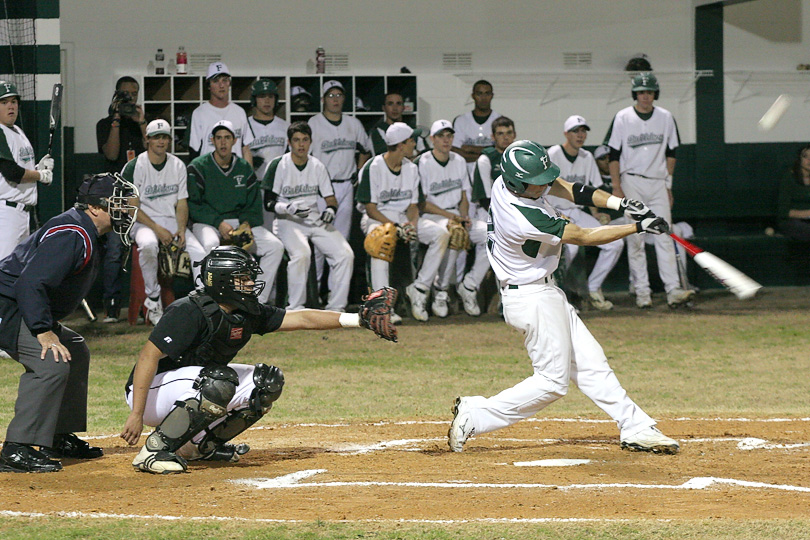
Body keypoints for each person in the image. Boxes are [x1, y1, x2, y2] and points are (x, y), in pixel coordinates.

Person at [448, 140, 680, 455]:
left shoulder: (510, 182)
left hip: (545, 293)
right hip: (531, 298)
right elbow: (584, 236)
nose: (545, 184)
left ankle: (635, 426)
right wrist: (637, 227)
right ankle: (476, 415)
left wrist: (618, 204)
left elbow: (569, 188)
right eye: (538, 181)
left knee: (591, 362)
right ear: (520, 183)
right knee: (552, 383)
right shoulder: (522, 215)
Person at [120, 246, 396, 474]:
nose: (251, 283)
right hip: (151, 393)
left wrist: (357, 319)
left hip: (192, 386)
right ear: (223, 281)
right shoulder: (188, 311)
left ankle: (197, 447)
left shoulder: (245, 311)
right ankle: (154, 450)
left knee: (265, 383)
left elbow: (302, 318)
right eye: (243, 278)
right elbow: (148, 357)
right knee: (219, 380)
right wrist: (136, 414)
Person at [0, 173, 138, 472]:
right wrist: (43, 331)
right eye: (119, 204)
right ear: (96, 208)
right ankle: (17, 448)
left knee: (75, 348)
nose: (126, 211)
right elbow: (29, 283)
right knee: (51, 362)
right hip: (8, 303)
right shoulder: (73, 233)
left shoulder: (87, 229)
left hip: (19, 302)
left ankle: (58, 435)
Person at [605, 72, 694, 308]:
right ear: (635, 94)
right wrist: (616, 186)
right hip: (631, 180)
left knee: (665, 234)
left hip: (657, 181)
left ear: (655, 94)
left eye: (650, 92)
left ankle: (673, 290)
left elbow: (671, 153)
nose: (646, 97)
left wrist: (668, 185)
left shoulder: (665, 117)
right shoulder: (623, 117)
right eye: (642, 92)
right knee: (636, 237)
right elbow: (613, 155)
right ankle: (642, 292)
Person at [357, 122, 449, 323]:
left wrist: (411, 223)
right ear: (400, 145)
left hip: (403, 217)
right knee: (382, 240)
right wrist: (395, 228)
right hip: (377, 218)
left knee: (441, 234)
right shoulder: (373, 167)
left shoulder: (411, 168)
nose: (414, 143)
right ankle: (381, 307)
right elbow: (370, 208)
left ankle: (419, 288)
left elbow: (413, 205)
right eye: (410, 140)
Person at [187, 120, 284, 306]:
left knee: (275, 246)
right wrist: (218, 222)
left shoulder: (244, 167)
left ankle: (256, 301)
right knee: (211, 245)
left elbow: (254, 204)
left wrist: (244, 225)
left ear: (234, 141)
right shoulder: (198, 166)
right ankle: (214, 301)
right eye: (219, 138)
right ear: (212, 141)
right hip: (208, 222)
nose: (223, 142)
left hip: (239, 222)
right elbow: (193, 204)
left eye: (227, 138)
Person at [262, 122, 354, 311]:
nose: (301, 145)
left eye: (305, 140)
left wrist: (330, 210)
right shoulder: (278, 165)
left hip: (313, 217)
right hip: (287, 220)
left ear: (311, 142)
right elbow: (268, 203)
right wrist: (288, 208)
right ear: (289, 142)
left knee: (345, 254)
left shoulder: (317, 165)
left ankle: (336, 308)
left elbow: (330, 198)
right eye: (296, 140)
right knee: (302, 253)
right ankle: (295, 307)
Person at [121, 119, 206, 324]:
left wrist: (182, 231)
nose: (161, 141)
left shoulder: (177, 164)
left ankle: (204, 304)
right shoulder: (135, 165)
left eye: (165, 137)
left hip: (171, 220)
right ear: (147, 140)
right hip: (142, 221)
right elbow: (132, 208)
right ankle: (153, 299)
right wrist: (158, 229)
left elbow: (182, 202)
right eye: (156, 137)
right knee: (149, 245)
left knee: (199, 253)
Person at [546, 116, 623, 311]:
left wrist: (596, 214)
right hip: (555, 212)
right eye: (575, 131)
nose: (580, 135)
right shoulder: (553, 153)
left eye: (583, 131)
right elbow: (540, 187)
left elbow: (590, 191)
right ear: (566, 133)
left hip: (577, 212)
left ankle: (594, 289)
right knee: (568, 250)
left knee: (615, 243)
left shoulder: (587, 157)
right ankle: (555, 297)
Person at [415, 119, 489, 317]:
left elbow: (464, 195)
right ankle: (441, 292)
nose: (446, 140)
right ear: (432, 139)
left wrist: (464, 216)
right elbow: (422, 203)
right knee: (454, 233)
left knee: (493, 235)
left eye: (449, 135)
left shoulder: (458, 160)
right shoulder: (422, 162)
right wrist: (453, 218)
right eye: (441, 136)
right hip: (433, 216)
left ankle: (470, 286)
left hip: (455, 214)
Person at [309, 80, 373, 293]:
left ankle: (336, 296)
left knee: (341, 244)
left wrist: (359, 170)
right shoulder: (314, 123)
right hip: (321, 190)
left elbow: (365, 149)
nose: (335, 99)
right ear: (323, 99)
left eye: (339, 95)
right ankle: (316, 294)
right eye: (331, 95)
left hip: (346, 186)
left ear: (344, 99)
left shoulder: (353, 124)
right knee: (319, 243)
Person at [96, 76, 146, 322]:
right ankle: (112, 307)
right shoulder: (105, 124)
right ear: (116, 95)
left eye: (134, 93)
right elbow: (112, 153)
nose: (130, 98)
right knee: (115, 250)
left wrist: (143, 123)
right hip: (116, 196)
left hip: (143, 195)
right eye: (125, 94)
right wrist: (116, 119)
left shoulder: (140, 123)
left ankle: (150, 305)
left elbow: (155, 154)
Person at [0, 80, 54, 261]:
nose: (10, 107)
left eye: (14, 102)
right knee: (3, 268)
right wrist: (40, 175)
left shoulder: (16, 131)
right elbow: (12, 172)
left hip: (22, 213)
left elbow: (21, 168)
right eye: (4, 102)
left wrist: (39, 168)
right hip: (6, 213)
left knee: (17, 271)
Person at [188, 62, 254, 167]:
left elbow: (245, 149)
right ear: (208, 85)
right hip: (209, 172)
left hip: (236, 174)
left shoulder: (239, 112)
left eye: (225, 80)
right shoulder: (199, 113)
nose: (221, 85)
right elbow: (194, 151)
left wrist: (249, 177)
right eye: (216, 81)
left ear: (229, 83)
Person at [471, 116, 516, 217]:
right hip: (490, 212)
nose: (505, 137)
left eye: (509, 133)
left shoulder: (521, 157)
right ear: (493, 137)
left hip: (516, 209)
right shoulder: (485, 160)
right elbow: (485, 198)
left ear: (514, 135)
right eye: (500, 134)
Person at [247, 79, 289, 181]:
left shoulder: (286, 126)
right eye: (262, 96)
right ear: (254, 100)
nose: (267, 101)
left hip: (279, 185)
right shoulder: (245, 126)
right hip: (254, 184)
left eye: (271, 96)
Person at [369, 91, 428, 157]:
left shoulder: (413, 130)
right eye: (390, 104)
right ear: (384, 108)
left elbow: (425, 155)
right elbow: (386, 155)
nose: (395, 108)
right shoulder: (378, 131)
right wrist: (414, 153)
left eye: (399, 104)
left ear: (403, 107)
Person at [777, 143, 810, 242]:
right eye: (805, 157)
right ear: (799, 159)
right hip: (792, 222)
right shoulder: (789, 178)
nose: (809, 160)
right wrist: (807, 213)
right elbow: (783, 212)